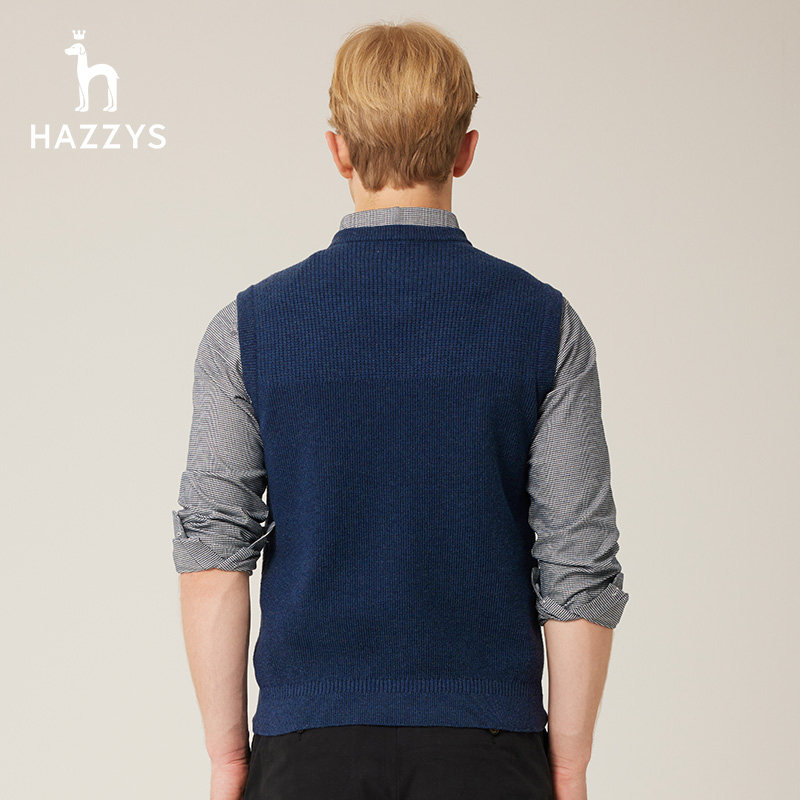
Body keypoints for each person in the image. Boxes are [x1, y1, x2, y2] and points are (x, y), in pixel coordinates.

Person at [172, 19, 630, 800]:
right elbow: (579, 567)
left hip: (305, 752)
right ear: (466, 150)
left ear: (338, 150)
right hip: (491, 753)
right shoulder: (545, 325)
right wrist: (569, 768)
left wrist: (226, 760)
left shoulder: (247, 329)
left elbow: (214, 557)